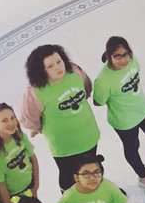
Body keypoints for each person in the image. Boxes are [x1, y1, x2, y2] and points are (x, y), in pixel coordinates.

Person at [19, 44, 100, 191]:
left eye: (59, 61)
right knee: (68, 175)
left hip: (88, 136)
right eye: (50, 66)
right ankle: (70, 200)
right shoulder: (35, 93)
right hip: (64, 146)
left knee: (91, 168)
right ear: (40, 70)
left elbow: (87, 88)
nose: (58, 67)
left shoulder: (75, 72)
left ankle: (95, 192)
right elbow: (28, 118)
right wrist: (39, 128)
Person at [92, 36, 145, 189]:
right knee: (132, 148)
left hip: (143, 109)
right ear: (109, 56)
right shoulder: (103, 80)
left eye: (125, 54)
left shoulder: (132, 60)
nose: (123, 60)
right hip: (124, 121)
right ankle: (144, 176)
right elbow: (98, 101)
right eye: (117, 56)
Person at [0, 103, 39, 203]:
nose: (11, 123)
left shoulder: (19, 135)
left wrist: (35, 186)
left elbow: (33, 158)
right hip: (14, 196)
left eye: (12, 118)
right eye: (4, 120)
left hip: (30, 185)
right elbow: (0, 184)